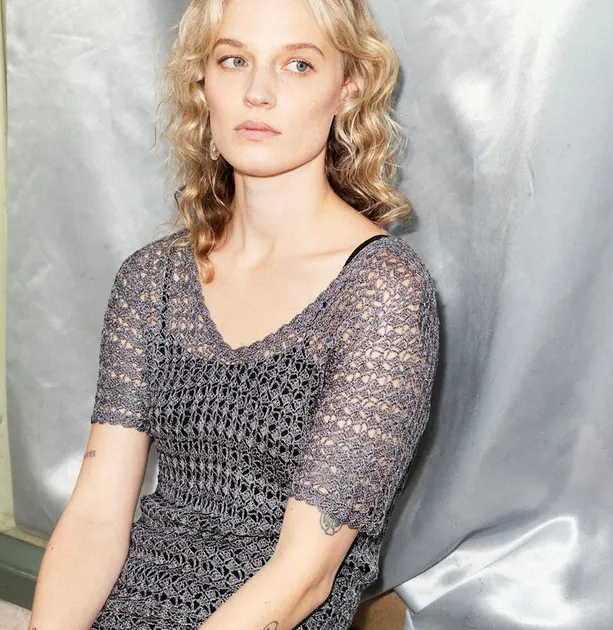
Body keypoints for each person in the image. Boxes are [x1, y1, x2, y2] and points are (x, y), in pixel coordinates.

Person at [27, 0, 440, 628]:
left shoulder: (381, 292)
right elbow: (95, 519)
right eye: (234, 60)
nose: (258, 93)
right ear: (202, 82)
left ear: (348, 87)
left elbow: (303, 578)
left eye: (298, 65)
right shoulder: (154, 279)